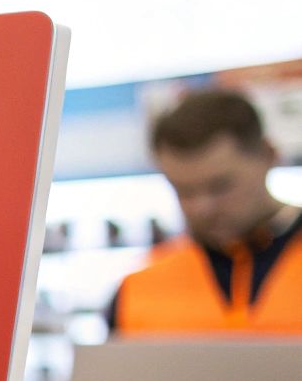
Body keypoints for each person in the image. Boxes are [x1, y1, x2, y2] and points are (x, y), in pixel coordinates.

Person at [111, 89, 302, 334]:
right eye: (184, 191)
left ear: (268, 155)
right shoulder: (138, 287)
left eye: (219, 186)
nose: (202, 208)